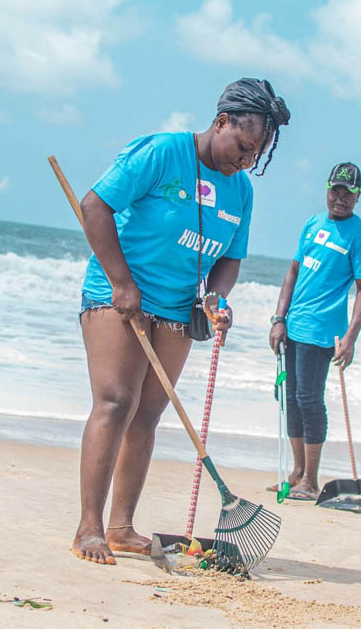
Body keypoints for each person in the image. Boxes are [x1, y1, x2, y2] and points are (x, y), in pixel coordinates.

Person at [73, 78, 291, 565]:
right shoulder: (163, 152)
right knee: (115, 402)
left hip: (177, 309)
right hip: (118, 295)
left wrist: (215, 297)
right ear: (220, 123)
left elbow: (230, 258)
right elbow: (95, 206)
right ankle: (89, 528)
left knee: (148, 413)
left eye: (256, 153)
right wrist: (122, 282)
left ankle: (121, 526)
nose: (247, 160)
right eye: (243, 145)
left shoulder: (241, 190)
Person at [268, 162, 361, 500]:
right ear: (327, 190)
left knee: (310, 400)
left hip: (323, 332)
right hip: (294, 326)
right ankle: (297, 472)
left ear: (358, 197)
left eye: (348, 193)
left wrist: (351, 337)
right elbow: (292, 273)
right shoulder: (313, 224)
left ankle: (311, 480)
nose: (340, 198)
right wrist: (278, 318)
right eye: (335, 191)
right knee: (290, 399)